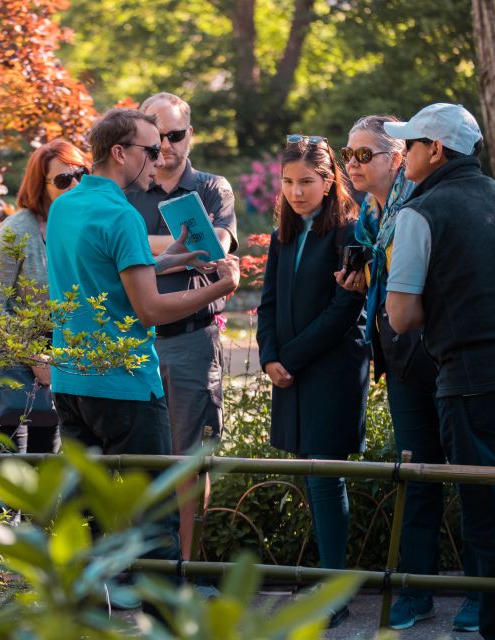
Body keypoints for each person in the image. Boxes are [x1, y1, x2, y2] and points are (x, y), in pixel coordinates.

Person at [46, 108, 240, 607]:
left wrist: (170, 256)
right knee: (156, 523)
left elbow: (105, 269)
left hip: (71, 381)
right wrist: (222, 285)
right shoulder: (123, 214)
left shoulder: (65, 205)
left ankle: (85, 622)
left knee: (84, 517)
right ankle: (166, 623)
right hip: (126, 385)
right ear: (120, 153)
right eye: (150, 150)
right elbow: (150, 309)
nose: (159, 159)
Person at [383, 103, 495, 640]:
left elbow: (400, 315)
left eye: (411, 145)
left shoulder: (421, 211)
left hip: (467, 382)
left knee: (489, 519)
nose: (403, 155)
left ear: (436, 150)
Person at [336, 115, 480, 632]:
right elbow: (393, 278)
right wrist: (361, 279)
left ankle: (478, 592)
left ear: (398, 157)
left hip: (441, 351)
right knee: (416, 474)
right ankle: (416, 591)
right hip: (399, 355)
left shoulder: (424, 203)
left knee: (470, 475)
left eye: (363, 155)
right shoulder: (370, 215)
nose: (351, 164)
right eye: (347, 154)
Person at [255, 134, 368, 629]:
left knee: (326, 478)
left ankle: (336, 590)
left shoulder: (348, 230)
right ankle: (328, 580)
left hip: (330, 368)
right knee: (309, 474)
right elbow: (268, 301)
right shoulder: (286, 230)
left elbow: (346, 308)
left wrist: (291, 358)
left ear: (328, 181)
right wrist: (267, 356)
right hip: (290, 370)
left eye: (306, 182)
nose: (296, 191)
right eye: (287, 182)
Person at [127, 92, 238, 563]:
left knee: (190, 461)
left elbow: (216, 246)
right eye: (158, 137)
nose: (166, 146)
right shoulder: (128, 191)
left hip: (191, 339)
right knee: (136, 463)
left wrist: (146, 246)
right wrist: (178, 242)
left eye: (175, 135)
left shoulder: (212, 189)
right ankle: (143, 568)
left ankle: (185, 570)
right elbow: (115, 249)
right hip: (136, 341)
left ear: (188, 134)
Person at [0, 139, 90, 454]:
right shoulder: (15, 232)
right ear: (40, 185)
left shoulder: (82, 229)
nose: (75, 185)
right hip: (12, 363)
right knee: (6, 467)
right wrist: (34, 357)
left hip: (63, 364)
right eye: (63, 180)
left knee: (48, 466)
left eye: (81, 174)